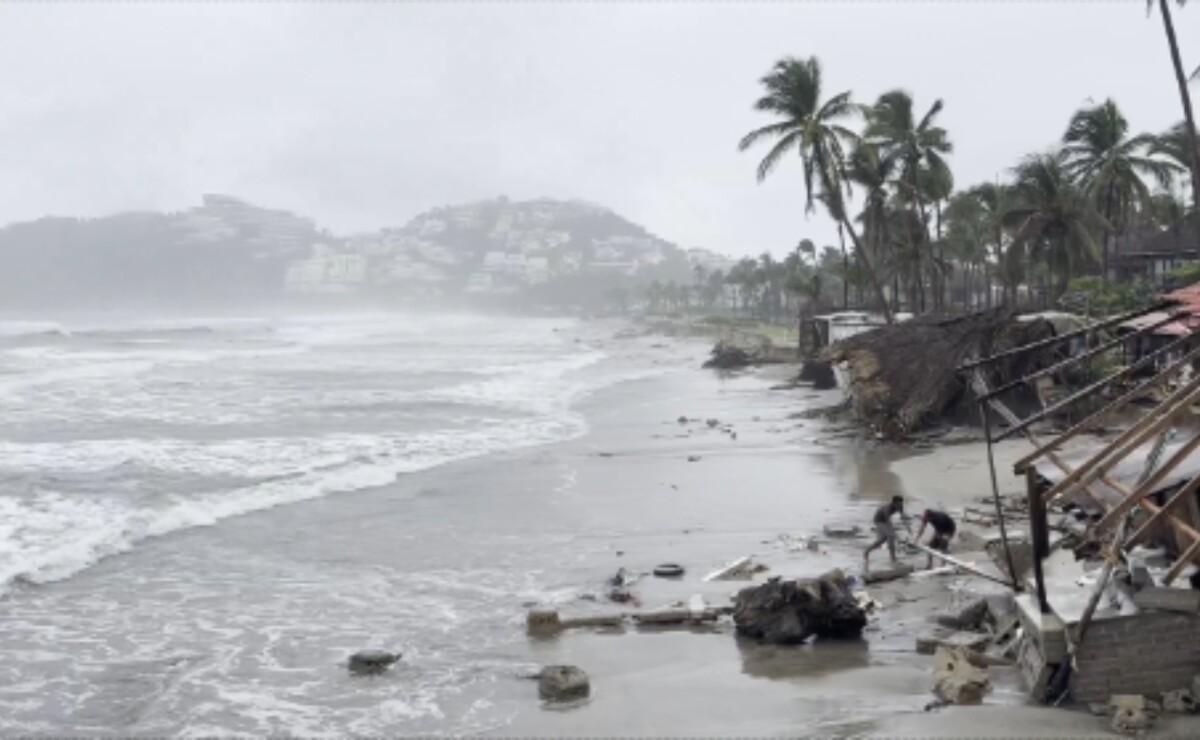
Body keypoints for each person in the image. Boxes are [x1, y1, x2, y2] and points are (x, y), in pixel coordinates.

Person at [864, 495, 907, 568]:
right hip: (879, 520)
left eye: (901, 504)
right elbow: (888, 522)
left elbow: (903, 517)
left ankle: (866, 551)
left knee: (881, 540)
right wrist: (895, 533)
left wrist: (908, 529)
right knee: (891, 536)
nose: (899, 506)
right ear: (894, 503)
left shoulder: (900, 506)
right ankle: (893, 559)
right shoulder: (887, 508)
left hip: (885, 521)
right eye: (898, 504)